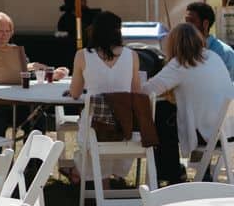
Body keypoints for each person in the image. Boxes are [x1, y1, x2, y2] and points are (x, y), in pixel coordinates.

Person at [143, 22, 233, 175]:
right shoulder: (212, 57)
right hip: (226, 129)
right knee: (166, 114)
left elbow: (147, 90)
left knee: (161, 116)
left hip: (207, 132)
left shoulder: (180, 64)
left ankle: (171, 173)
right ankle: (175, 172)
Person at [66, 10, 141, 185]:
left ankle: (99, 180)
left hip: (96, 127)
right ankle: (106, 178)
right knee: (107, 125)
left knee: (94, 125)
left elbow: (75, 93)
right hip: (125, 128)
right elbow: (136, 92)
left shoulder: (82, 55)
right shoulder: (132, 56)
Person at [184, 1, 234, 78]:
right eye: (186, 21)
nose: (186, 26)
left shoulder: (225, 53)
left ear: (205, 24)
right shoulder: (184, 50)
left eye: (192, 21)